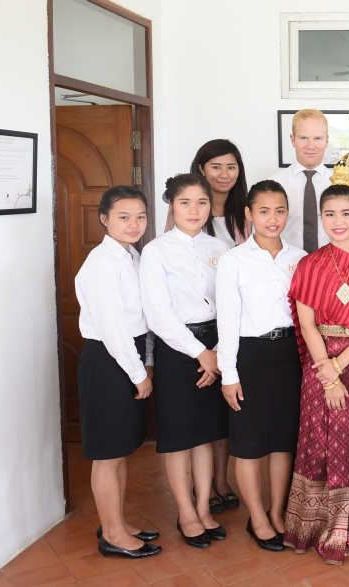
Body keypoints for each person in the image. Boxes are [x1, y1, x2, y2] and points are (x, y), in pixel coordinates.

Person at [283, 158, 349, 564]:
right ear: (321, 218)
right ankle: (312, 525)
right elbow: (307, 323)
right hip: (318, 363)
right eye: (330, 214)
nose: (338, 221)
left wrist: (340, 366)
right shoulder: (310, 264)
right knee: (317, 438)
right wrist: (326, 374)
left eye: (346, 213)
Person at [140, 174, 230, 549]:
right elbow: (158, 315)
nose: (194, 211)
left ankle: (204, 506)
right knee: (179, 437)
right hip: (178, 350)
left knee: (206, 434)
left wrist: (219, 350)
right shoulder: (156, 251)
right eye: (185, 203)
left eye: (202, 203)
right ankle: (186, 513)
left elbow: (230, 304)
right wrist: (200, 353)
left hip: (217, 343)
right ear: (171, 206)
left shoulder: (220, 247)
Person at [216, 180, 305, 552]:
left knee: (284, 443)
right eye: (264, 211)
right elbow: (227, 321)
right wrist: (229, 374)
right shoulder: (233, 260)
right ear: (249, 214)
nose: (273, 219)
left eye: (280, 210)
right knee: (249, 444)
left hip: (289, 357)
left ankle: (277, 511)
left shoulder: (299, 258)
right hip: (249, 357)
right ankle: (257, 518)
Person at [74, 185, 162, 559]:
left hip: (129, 356)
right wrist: (138, 372)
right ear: (104, 219)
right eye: (123, 216)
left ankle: (117, 522)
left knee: (122, 449)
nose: (134, 224)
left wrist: (147, 362)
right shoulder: (101, 263)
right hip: (109, 361)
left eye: (140, 216)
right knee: (108, 454)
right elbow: (112, 329)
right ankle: (111, 533)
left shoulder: (132, 255)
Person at [165, 139, 249, 514]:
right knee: (200, 418)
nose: (224, 174)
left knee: (225, 411)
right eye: (215, 166)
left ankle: (220, 479)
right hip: (194, 335)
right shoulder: (183, 219)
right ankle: (205, 490)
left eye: (231, 167)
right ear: (201, 170)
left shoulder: (240, 213)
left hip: (232, 324)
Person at [271, 108, 331, 252]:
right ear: (293, 140)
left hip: (329, 268)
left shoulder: (341, 185)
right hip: (286, 268)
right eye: (303, 138)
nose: (311, 146)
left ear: (327, 140)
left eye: (318, 138)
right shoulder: (273, 186)